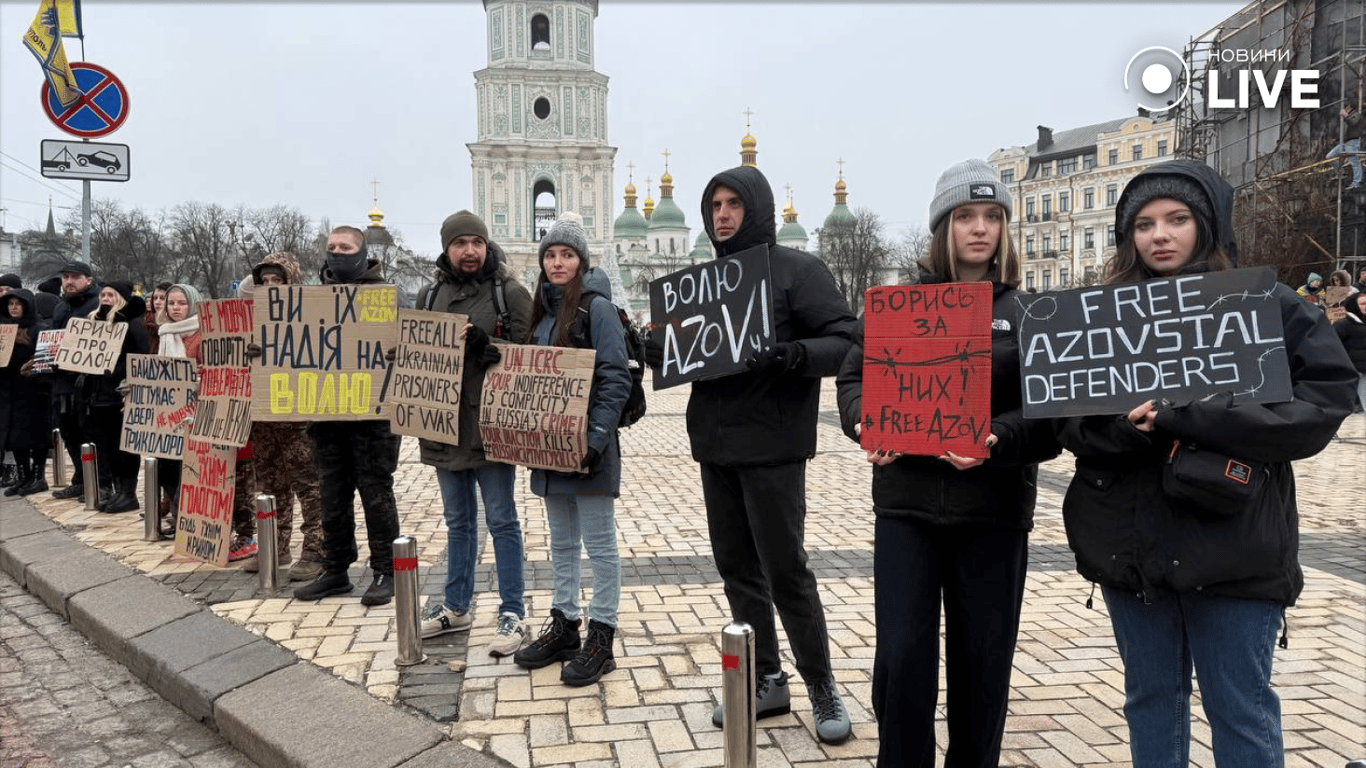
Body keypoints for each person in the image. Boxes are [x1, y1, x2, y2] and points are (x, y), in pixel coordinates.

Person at [1056, 159, 1357, 767]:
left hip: (1233, 547)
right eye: (1143, 224)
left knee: (1239, 707)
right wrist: (1124, 428)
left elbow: (1322, 405)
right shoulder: (1102, 314)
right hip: (1131, 547)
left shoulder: (1266, 305)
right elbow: (1067, 421)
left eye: (1177, 219)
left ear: (1209, 224)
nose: (1160, 235)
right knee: (1150, 701)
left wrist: (1194, 414)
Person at [835, 159, 1060, 767]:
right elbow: (854, 378)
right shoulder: (897, 305)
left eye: (992, 216)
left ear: (1005, 228)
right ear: (944, 227)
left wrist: (996, 439)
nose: (980, 228)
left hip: (993, 512)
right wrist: (864, 423)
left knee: (982, 665)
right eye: (965, 216)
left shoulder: (1031, 314)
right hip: (907, 509)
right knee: (903, 660)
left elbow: (1050, 415)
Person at [645, 164, 858, 744]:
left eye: (733, 204)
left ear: (756, 208)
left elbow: (846, 340)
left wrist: (791, 356)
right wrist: (658, 348)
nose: (722, 215)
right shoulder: (701, 284)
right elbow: (688, 353)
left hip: (773, 446)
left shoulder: (796, 271)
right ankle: (766, 677)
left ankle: (821, 684)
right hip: (715, 444)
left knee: (785, 569)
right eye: (714, 205)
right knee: (737, 569)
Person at [510, 212, 631, 686]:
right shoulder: (541, 311)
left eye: (567, 254)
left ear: (581, 260)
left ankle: (601, 637)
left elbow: (615, 377)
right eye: (551, 255)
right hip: (550, 449)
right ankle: (564, 624)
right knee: (560, 543)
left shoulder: (596, 309)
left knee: (599, 546)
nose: (557, 263)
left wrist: (596, 439)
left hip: (588, 448)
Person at [414, 211, 534, 657]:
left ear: (486, 246)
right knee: (458, 522)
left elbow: (533, 356)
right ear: (447, 248)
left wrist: (490, 347)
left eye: (477, 243)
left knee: (502, 520)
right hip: (443, 427)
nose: (469, 251)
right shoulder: (429, 296)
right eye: (460, 243)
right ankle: (455, 605)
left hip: (490, 426)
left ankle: (513, 611)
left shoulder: (509, 293)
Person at [292, 226, 402, 606]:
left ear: (362, 253)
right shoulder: (311, 299)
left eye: (346, 247)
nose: (338, 253)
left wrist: (397, 350)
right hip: (326, 414)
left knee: (375, 492)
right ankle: (335, 569)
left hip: (374, 418)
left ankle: (387, 570)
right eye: (332, 247)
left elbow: (404, 344)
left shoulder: (383, 296)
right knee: (332, 494)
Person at [237, 253, 327, 580]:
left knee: (308, 483)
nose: (271, 286)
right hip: (264, 415)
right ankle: (275, 546)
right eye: (265, 281)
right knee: (270, 483)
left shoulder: (311, 315)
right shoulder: (251, 317)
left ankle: (316, 548)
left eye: (278, 280)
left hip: (298, 413)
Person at [79, 281, 151, 513]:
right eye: (103, 294)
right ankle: (119, 490)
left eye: (111, 295)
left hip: (120, 394)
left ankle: (128, 493)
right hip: (99, 394)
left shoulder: (132, 323)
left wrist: (115, 370)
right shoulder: (96, 322)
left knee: (125, 447)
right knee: (109, 446)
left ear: (121, 298)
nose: (106, 298)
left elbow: (139, 357)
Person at [47, 261, 102, 501]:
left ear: (88, 280)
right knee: (68, 432)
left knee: (88, 433)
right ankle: (80, 479)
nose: (69, 282)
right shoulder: (61, 306)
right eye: (66, 277)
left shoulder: (96, 304)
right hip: (61, 380)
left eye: (75, 277)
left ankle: (96, 481)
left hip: (85, 382)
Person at [153, 284, 203, 539]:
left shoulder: (203, 333)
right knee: (168, 467)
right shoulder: (164, 333)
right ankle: (176, 514)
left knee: (189, 468)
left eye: (182, 303)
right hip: (169, 413)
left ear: (193, 304)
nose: (175, 308)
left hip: (196, 411)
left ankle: (186, 520)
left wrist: (193, 376)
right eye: (171, 303)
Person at [2, 289, 53, 496]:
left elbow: (48, 361)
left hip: (34, 391)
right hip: (10, 391)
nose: (13, 307)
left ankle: (38, 477)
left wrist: (34, 364)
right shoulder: (4, 329)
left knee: (37, 435)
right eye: (10, 303)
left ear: (27, 305)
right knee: (14, 436)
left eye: (18, 303)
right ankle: (23, 477)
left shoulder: (40, 329)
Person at [1333, 292, 1366, 418]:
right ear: (1354, 306)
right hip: (1352, 369)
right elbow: (1334, 345)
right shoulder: (1343, 324)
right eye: (1363, 303)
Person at [1326, 103, 1363, 190]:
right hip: (1344, 142)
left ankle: (1356, 183)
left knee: (1354, 162)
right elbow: (1345, 132)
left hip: (1352, 142)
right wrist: (1336, 139)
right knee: (1329, 156)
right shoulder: (1346, 118)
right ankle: (1341, 171)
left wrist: (1345, 115)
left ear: (1348, 108)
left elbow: (1352, 123)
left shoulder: (1356, 115)